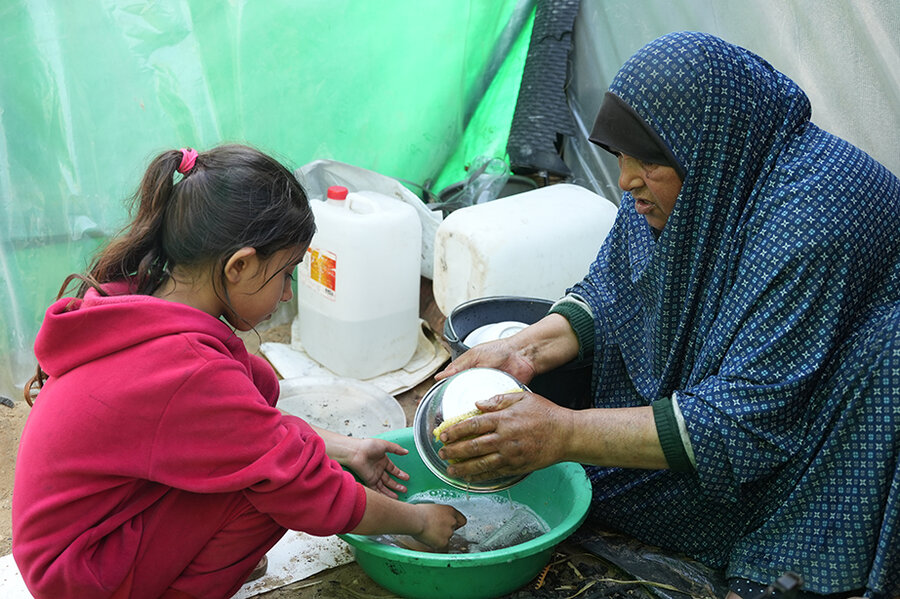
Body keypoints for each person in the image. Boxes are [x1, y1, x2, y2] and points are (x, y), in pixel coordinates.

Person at [434, 32, 900, 599]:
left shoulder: (808, 233)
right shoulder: (698, 168)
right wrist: (523, 348)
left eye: (646, 162)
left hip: (830, 417)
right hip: (746, 382)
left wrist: (564, 433)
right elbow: (617, 288)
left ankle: (794, 566)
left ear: (703, 154)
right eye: (620, 157)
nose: (626, 178)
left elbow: (745, 423)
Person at [12, 144, 466, 599]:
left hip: (80, 538)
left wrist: (345, 448)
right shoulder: (187, 373)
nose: (287, 295)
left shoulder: (144, 298)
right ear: (240, 266)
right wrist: (420, 521)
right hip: (79, 576)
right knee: (267, 490)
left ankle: (182, 560)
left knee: (261, 398)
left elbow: (250, 422)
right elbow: (301, 486)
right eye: (286, 273)